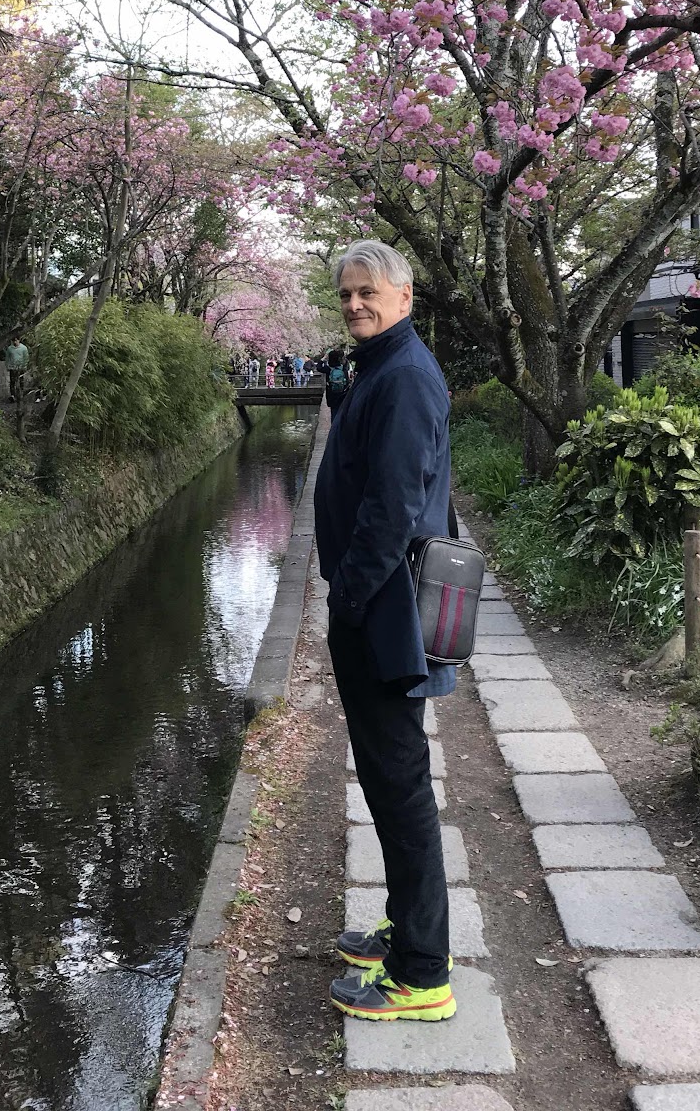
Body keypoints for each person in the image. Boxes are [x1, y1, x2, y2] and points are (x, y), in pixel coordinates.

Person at [315, 240, 456, 1023]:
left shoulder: (402, 375)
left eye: (368, 292)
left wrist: (348, 600)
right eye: (346, 294)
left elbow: (393, 507)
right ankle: (409, 929)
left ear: (404, 297)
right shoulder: (383, 366)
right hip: (379, 605)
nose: (355, 304)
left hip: (384, 612)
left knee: (399, 785)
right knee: (386, 776)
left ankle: (422, 974)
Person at [324, 346, 350, 411]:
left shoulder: (328, 369)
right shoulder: (344, 368)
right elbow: (347, 381)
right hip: (343, 393)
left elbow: (318, 367)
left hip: (331, 394)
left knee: (334, 411)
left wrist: (323, 358)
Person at [4, 336, 30, 402]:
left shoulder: (24, 348)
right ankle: (13, 395)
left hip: (20, 367)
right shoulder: (10, 348)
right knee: (12, 381)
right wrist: (7, 366)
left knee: (21, 381)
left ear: (19, 340)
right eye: (13, 341)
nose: (15, 342)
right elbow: (7, 358)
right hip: (12, 367)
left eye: (16, 340)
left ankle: (21, 394)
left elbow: (26, 357)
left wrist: (25, 366)